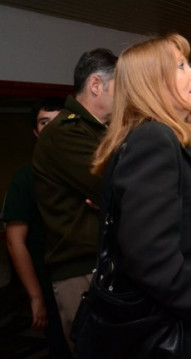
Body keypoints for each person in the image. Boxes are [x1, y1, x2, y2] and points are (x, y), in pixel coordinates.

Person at [91, 33, 191, 358]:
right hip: (180, 322)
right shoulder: (154, 138)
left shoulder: (160, 137)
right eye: (181, 66)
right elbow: (149, 256)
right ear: (152, 82)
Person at [31, 48, 117, 347]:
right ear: (96, 85)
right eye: (120, 87)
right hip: (81, 271)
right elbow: (116, 185)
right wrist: (112, 199)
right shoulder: (64, 133)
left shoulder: (97, 131)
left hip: (103, 265)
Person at [3, 98, 72, 358]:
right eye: (45, 123)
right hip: (49, 282)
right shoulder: (26, 178)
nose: (53, 129)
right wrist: (35, 297)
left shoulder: (85, 168)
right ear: (36, 132)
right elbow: (14, 241)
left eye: (59, 122)